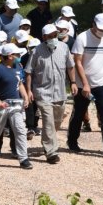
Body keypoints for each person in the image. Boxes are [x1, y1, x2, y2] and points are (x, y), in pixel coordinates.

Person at [26, 24, 76, 165]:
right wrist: (29, 90)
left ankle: (47, 142)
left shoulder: (64, 48)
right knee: (48, 122)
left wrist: (73, 82)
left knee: (56, 122)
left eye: (55, 35)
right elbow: (29, 71)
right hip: (43, 92)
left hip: (60, 92)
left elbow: (70, 66)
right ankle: (51, 152)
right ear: (44, 37)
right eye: (50, 36)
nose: (53, 38)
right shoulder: (36, 51)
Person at [67, 13, 103, 156]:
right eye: (100, 29)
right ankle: (72, 141)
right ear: (93, 24)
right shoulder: (82, 38)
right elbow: (78, 62)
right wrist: (85, 84)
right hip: (84, 85)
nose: (102, 32)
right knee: (79, 114)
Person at [0, 43, 32, 169]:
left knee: (20, 130)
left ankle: (23, 158)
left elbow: (20, 83)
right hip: (2, 105)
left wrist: (24, 96)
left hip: (16, 105)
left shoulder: (18, 67)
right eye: (16, 54)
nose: (19, 56)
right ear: (9, 56)